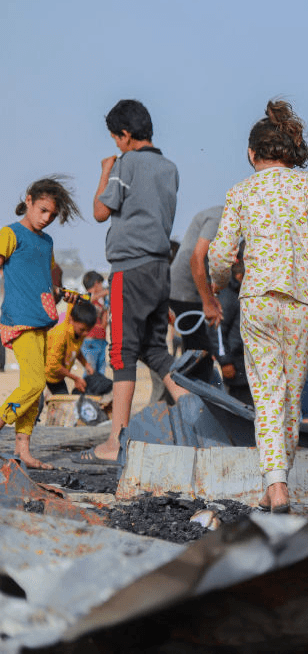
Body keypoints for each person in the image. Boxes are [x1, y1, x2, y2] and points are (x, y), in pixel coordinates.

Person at [209, 100, 308, 514]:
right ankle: (280, 482)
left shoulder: (241, 191)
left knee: (267, 394)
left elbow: (221, 254)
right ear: (289, 152)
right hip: (299, 303)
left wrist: (220, 283)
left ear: (252, 154)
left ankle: (275, 485)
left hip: (256, 302)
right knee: (291, 396)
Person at [85, 99, 187, 463]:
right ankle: (191, 402)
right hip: (161, 268)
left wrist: (106, 170)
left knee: (122, 351)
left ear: (125, 135)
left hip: (130, 267)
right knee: (154, 349)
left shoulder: (124, 164)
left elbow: (100, 211)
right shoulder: (169, 167)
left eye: (116, 139)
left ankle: (116, 441)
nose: (115, 145)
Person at [0, 177, 80, 469]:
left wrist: (60, 291)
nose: (46, 219)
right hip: (18, 319)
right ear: (29, 200)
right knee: (34, 383)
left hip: (42, 320)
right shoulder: (10, 233)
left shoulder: (47, 241)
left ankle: (24, 450)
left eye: (52, 215)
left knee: (33, 392)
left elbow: (52, 271)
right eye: (43, 210)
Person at [169, 205, 223, 384]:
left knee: (199, 352)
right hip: (184, 292)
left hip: (191, 291)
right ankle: (192, 400)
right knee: (199, 353)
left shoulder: (217, 215)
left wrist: (210, 298)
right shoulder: (218, 218)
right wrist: (207, 303)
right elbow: (196, 259)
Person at [212, 241, 251, 405]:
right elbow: (217, 329)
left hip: (250, 367)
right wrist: (225, 361)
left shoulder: (245, 294)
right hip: (236, 369)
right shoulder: (228, 296)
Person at [44, 301, 97, 395]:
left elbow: (75, 350)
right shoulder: (60, 334)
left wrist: (86, 364)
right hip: (41, 373)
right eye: (82, 330)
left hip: (56, 378)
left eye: (88, 330)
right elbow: (54, 365)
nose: (85, 334)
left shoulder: (79, 333)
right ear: (71, 320)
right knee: (36, 406)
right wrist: (75, 378)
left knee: (63, 404)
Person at [80, 271, 109, 377]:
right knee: (90, 372)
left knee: (100, 373)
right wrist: (106, 292)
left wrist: (106, 307)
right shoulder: (85, 298)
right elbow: (89, 299)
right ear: (96, 283)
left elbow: (104, 324)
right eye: (101, 284)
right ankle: (86, 393)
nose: (102, 287)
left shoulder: (101, 302)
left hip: (100, 340)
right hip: (90, 341)